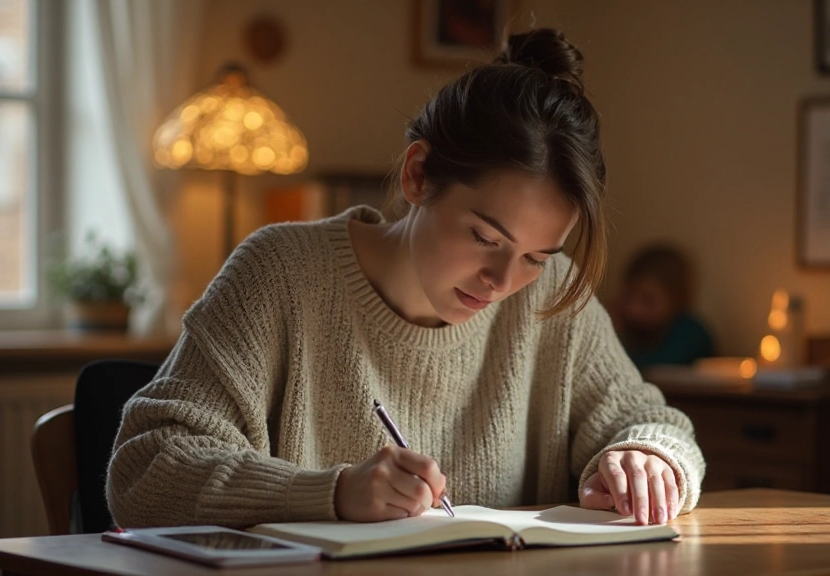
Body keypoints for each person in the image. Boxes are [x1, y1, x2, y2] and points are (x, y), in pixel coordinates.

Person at [107, 28, 705, 530]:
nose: (502, 281)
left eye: (536, 256)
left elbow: (649, 422)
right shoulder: (281, 273)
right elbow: (146, 468)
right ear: (418, 174)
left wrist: (649, 457)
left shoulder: (551, 297)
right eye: (485, 237)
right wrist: (331, 493)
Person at [612, 244, 715, 371]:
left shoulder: (691, 332)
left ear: (676, 300)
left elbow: (652, 368)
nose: (633, 309)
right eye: (628, 298)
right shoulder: (636, 332)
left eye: (648, 301)